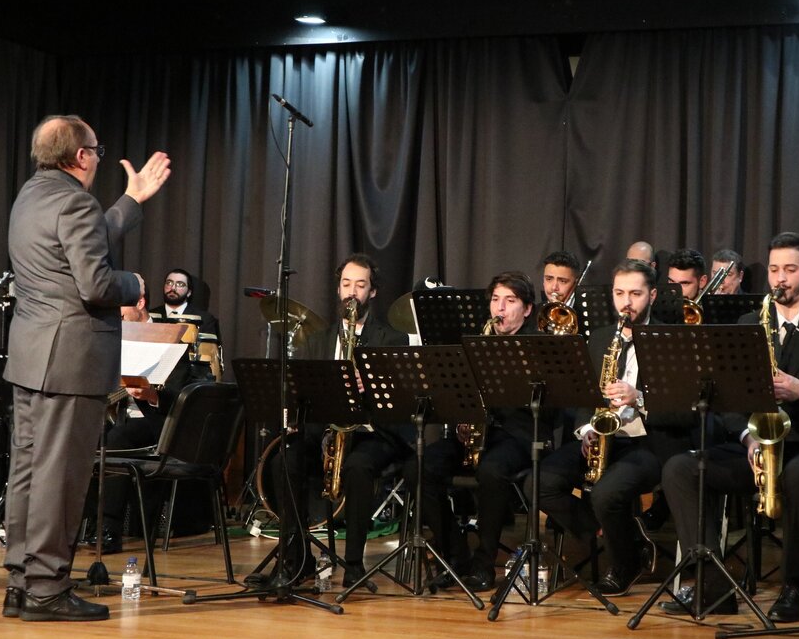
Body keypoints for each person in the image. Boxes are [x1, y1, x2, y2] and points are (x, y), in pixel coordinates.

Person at [3, 115, 169, 621]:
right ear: (81, 156)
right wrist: (134, 281)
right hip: (70, 361)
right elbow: (96, 284)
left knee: (29, 472)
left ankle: (22, 581)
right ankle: (48, 589)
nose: (98, 156)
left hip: (33, 358)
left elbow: (84, 235)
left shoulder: (31, 195)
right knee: (61, 477)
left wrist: (132, 200)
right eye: (96, 149)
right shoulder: (75, 200)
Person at [661, 232, 799, 621]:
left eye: (790, 269)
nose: (780, 278)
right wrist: (747, 435)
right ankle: (713, 585)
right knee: (681, 469)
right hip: (760, 443)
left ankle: (792, 588)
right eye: (773, 269)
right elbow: (732, 398)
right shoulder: (749, 322)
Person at [533, 259, 676, 596]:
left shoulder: (669, 338)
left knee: (605, 493)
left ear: (652, 295)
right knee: (539, 482)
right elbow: (584, 395)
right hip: (602, 436)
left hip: (648, 440)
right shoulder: (599, 338)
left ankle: (624, 564)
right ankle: (626, 537)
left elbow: (680, 405)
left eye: (636, 294)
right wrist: (587, 430)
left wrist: (639, 397)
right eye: (619, 293)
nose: (626, 302)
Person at [269, 253, 411, 588]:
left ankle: (354, 564)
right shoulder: (318, 340)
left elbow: (398, 405)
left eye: (360, 285)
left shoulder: (392, 340)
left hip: (371, 433)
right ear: (338, 289)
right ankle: (296, 555)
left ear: (372, 293)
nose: (352, 291)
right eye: (346, 283)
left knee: (359, 468)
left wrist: (370, 386)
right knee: (283, 461)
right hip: (324, 430)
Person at [404, 271, 550, 592]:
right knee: (419, 467)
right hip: (475, 432)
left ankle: (485, 564)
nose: (500, 308)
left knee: (491, 470)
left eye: (510, 301)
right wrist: (462, 414)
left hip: (518, 433)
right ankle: (456, 557)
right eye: (496, 300)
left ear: (527, 309)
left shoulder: (536, 344)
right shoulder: (478, 340)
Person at [92, 279, 200, 554]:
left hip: (157, 423)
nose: (118, 317)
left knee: (114, 440)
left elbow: (178, 395)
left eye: (122, 311)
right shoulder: (113, 338)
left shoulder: (169, 336)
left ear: (140, 304)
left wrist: (151, 395)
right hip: (119, 417)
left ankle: (108, 529)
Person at [149, 267, 221, 340]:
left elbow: (210, 349)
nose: (173, 288)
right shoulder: (151, 316)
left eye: (180, 284)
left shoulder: (204, 319)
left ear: (189, 292)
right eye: (169, 283)